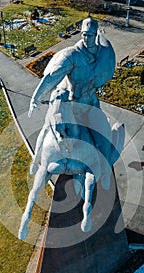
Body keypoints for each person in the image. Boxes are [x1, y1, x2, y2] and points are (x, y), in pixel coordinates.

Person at [28, 17, 116, 188]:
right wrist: (35, 98)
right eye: (84, 34)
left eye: (90, 35)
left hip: (90, 106)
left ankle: (104, 173)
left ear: (95, 34)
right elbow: (52, 77)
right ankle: (36, 160)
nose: (86, 38)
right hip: (71, 106)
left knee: (103, 138)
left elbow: (106, 67)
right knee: (47, 128)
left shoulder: (102, 54)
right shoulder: (72, 55)